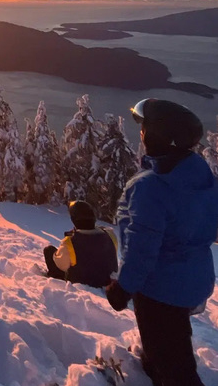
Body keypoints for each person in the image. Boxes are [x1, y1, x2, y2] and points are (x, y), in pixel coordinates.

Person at [106, 98, 218, 386]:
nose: (141, 134)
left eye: (144, 128)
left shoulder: (150, 188)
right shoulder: (201, 176)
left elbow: (142, 248)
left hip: (160, 288)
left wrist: (123, 288)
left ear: (157, 137)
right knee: (172, 341)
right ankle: (156, 367)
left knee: (176, 368)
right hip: (195, 277)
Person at [43, 200, 118, 288]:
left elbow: (61, 265)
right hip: (106, 280)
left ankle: (55, 280)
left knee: (49, 250)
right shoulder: (110, 234)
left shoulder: (70, 242)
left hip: (82, 283)